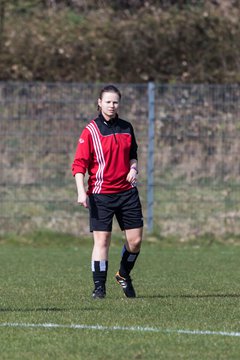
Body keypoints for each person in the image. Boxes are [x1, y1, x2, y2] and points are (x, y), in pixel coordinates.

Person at [72, 84, 143, 299]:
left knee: (135, 242)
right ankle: (99, 288)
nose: (112, 106)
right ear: (99, 103)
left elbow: (133, 155)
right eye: (108, 102)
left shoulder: (126, 127)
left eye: (115, 102)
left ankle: (123, 274)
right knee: (102, 242)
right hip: (100, 194)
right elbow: (79, 164)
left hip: (127, 192)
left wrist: (133, 168)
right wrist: (81, 191)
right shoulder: (91, 130)